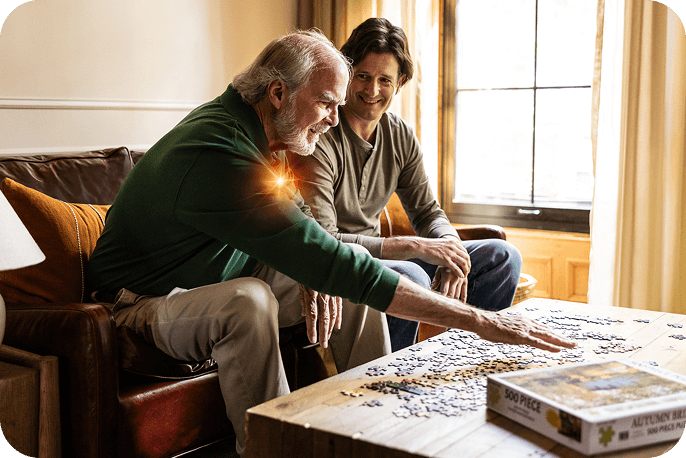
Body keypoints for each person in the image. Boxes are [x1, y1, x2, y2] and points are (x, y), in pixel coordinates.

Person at [86, 29, 575, 457]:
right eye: (326, 103)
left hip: (205, 279)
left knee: (333, 280)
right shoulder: (219, 150)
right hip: (134, 305)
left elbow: (312, 237)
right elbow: (325, 252)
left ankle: (380, 430)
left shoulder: (262, 134)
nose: (334, 118)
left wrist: (312, 267)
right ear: (278, 92)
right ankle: (271, 449)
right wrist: (478, 321)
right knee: (249, 300)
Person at [289, 18, 523, 352]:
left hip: (384, 257)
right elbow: (324, 240)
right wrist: (415, 247)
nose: (372, 91)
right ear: (346, 76)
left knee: (502, 257)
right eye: (364, 77)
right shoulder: (321, 133)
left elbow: (428, 211)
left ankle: (462, 362)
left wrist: (451, 248)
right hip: (341, 262)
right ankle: (391, 383)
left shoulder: (400, 135)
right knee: (408, 275)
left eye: (384, 79)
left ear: (399, 83)